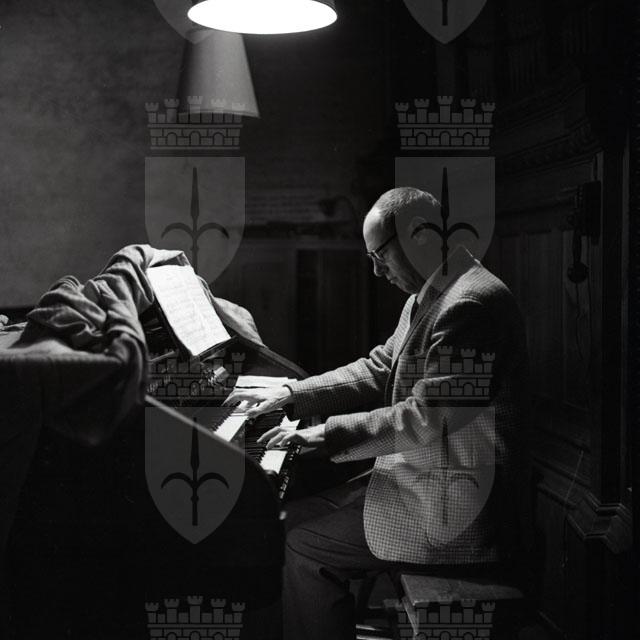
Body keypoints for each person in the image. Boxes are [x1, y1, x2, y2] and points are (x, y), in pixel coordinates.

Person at [225, 187, 529, 640]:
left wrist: (323, 436)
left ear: (420, 234)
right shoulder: (434, 292)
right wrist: (292, 394)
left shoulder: (469, 304)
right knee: (285, 517)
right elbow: (379, 367)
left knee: (299, 546)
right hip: (424, 478)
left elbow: (428, 417)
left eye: (380, 255)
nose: (376, 270)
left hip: (454, 504)